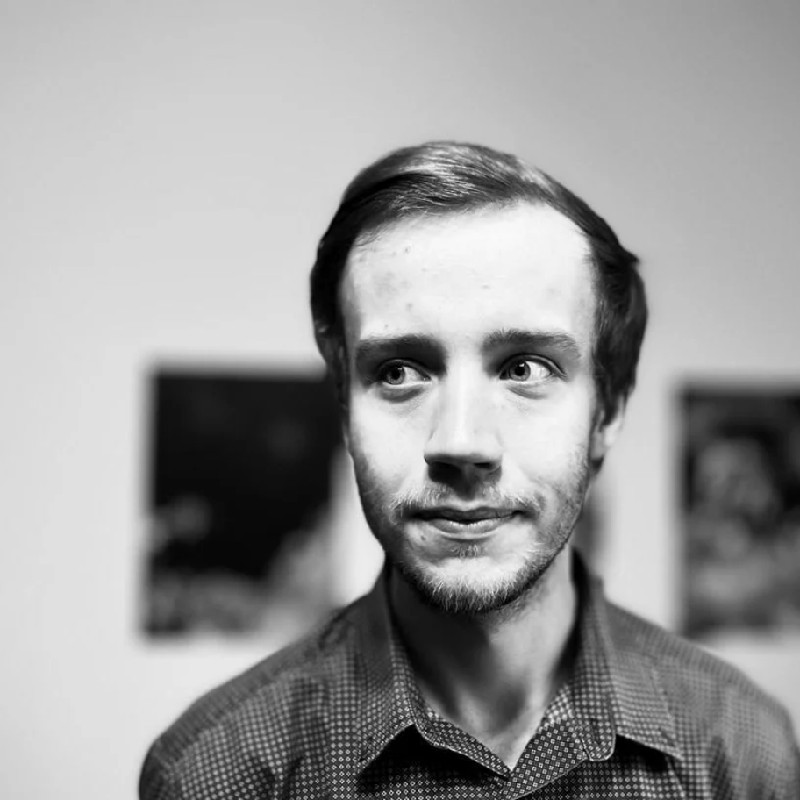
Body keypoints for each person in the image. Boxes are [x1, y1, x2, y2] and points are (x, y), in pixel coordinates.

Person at [139, 142, 800, 799]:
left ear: (608, 411)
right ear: (343, 408)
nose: (460, 442)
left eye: (525, 368)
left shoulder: (740, 750)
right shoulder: (216, 773)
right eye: (398, 372)